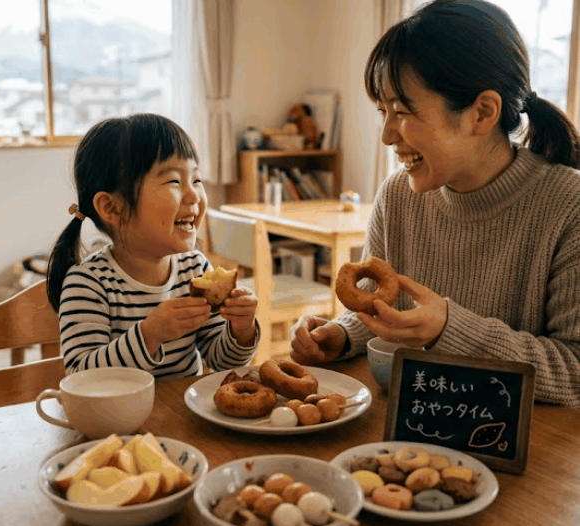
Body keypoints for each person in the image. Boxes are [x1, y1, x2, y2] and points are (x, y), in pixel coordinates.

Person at [289, 0, 580, 407]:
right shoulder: (397, 197)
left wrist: (449, 327)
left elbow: (574, 371)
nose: (387, 135)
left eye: (403, 111)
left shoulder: (569, 206)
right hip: (412, 426)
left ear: (482, 113)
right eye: (382, 111)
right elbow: (382, 311)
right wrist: (340, 335)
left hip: (524, 452)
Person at [46, 114, 260, 378]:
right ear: (113, 207)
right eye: (173, 181)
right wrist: (149, 335)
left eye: (196, 179)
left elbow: (222, 360)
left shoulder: (195, 269)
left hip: (180, 413)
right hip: (120, 418)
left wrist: (242, 329)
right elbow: (81, 375)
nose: (194, 196)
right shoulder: (88, 284)